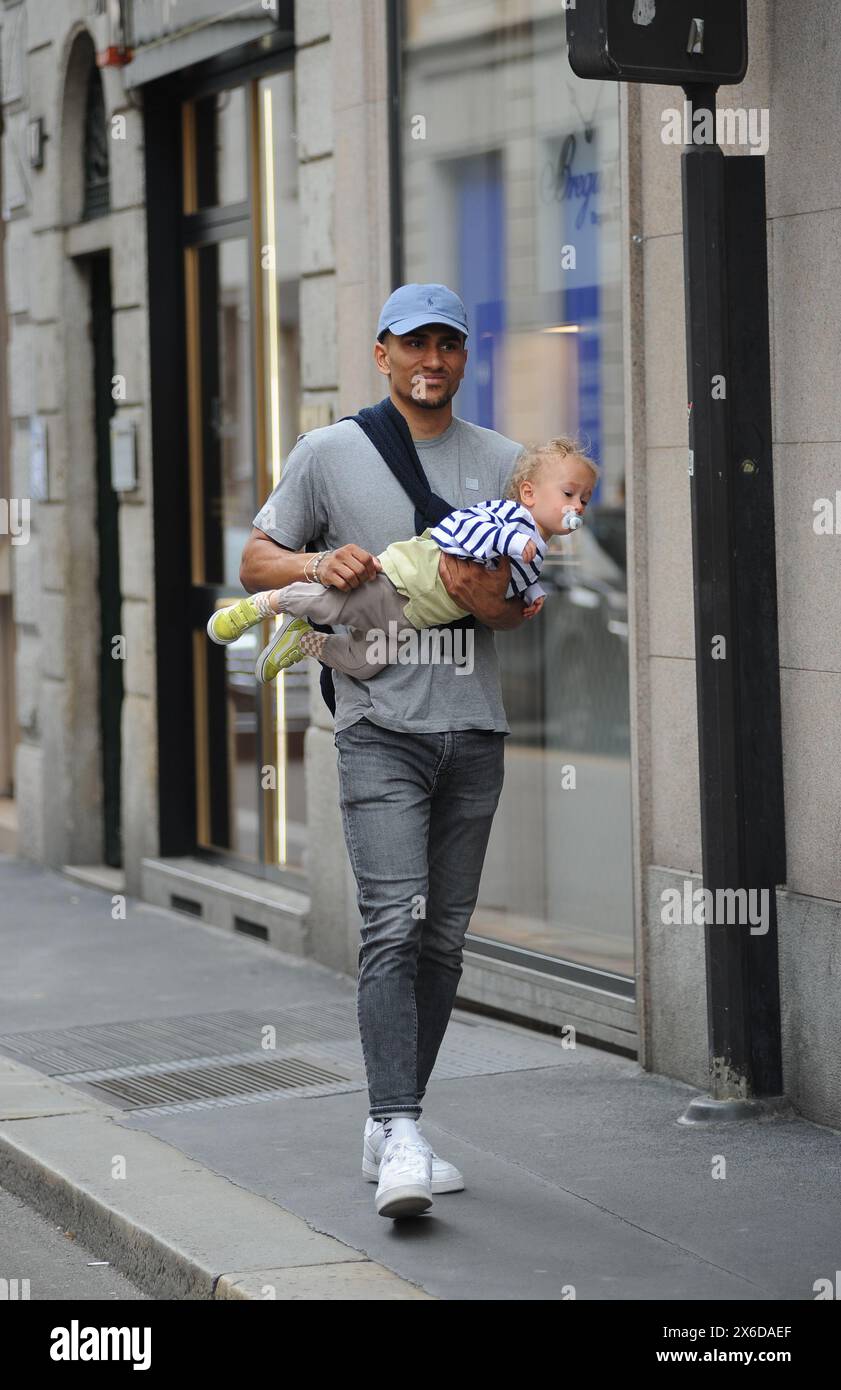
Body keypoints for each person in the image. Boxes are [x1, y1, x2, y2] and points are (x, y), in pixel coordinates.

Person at [236, 282, 586, 1220]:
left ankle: (394, 1118)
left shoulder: (506, 461)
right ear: (381, 354)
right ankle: (397, 1129)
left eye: (449, 344)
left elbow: (524, 605)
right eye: (413, 343)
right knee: (393, 924)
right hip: (378, 729)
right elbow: (256, 562)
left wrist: (495, 603)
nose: (432, 358)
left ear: (464, 359)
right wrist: (320, 563)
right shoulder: (330, 452)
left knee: (442, 939)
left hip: (472, 732)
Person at [208, 438, 597, 685]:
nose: (576, 506)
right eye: (568, 493)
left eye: (584, 498)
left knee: (364, 663)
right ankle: (260, 608)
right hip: (401, 581)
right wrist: (508, 540)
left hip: (416, 616)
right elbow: (464, 529)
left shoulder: (537, 545)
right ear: (528, 492)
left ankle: (307, 642)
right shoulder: (509, 518)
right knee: (327, 604)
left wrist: (532, 591)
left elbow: (513, 583)